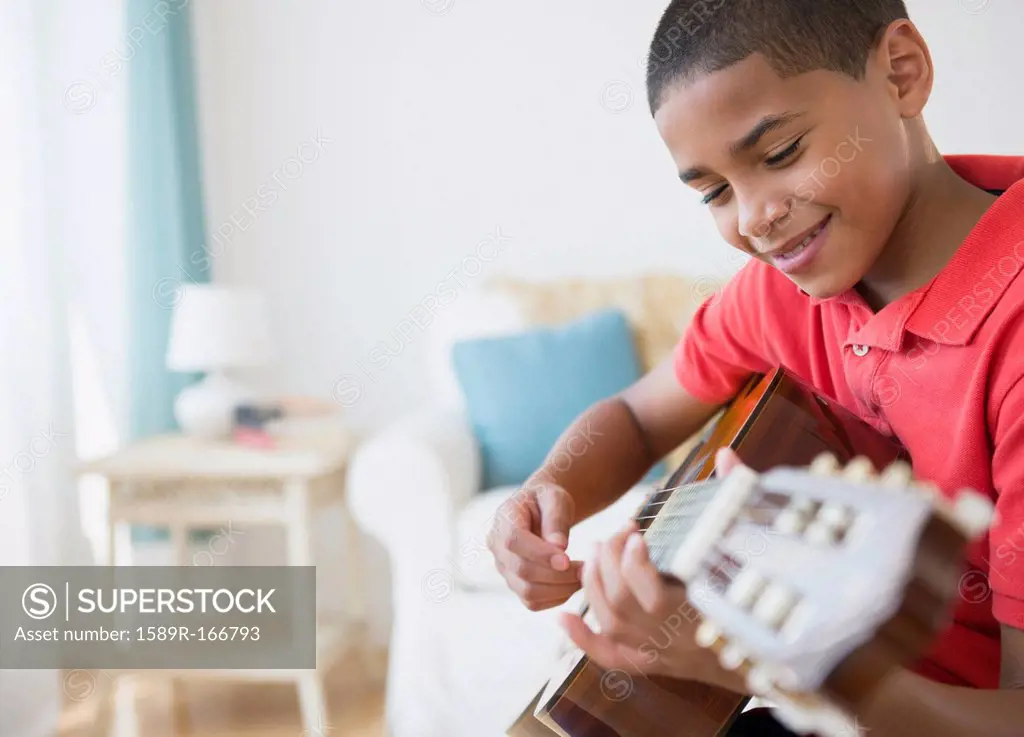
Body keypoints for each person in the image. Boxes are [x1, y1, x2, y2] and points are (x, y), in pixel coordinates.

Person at [485, 1, 1024, 735]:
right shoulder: (784, 294)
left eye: (778, 155)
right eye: (713, 191)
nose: (753, 218)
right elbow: (640, 418)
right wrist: (551, 490)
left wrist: (768, 663)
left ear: (902, 74)